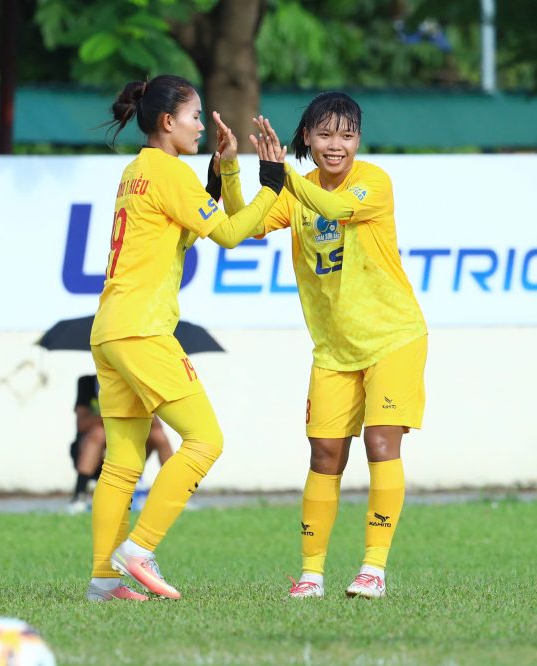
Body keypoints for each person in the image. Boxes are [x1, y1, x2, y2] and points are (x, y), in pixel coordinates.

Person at [215, 92, 427, 599]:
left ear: (358, 140)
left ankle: (373, 569)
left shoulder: (372, 182)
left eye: (347, 135)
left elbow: (332, 207)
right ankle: (311, 576)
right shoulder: (297, 189)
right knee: (325, 455)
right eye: (326, 134)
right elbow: (240, 227)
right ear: (307, 137)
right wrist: (230, 172)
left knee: (380, 444)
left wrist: (280, 172)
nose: (337, 146)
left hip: (393, 337)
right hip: (333, 350)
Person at [85, 74, 286, 602]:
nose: (202, 126)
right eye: (196, 117)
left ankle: (104, 580)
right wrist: (274, 182)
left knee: (123, 462)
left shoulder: (137, 170)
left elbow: (198, 219)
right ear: (167, 121)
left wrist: (226, 168)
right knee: (206, 440)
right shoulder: (169, 172)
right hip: (143, 329)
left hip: (109, 329)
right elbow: (228, 234)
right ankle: (140, 549)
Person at [68, 374, 173, 513]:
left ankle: (176, 495)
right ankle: (79, 495)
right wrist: (112, 413)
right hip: (94, 452)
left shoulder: (134, 384)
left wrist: (141, 401)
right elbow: (81, 424)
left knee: (158, 436)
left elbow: (158, 427)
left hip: (128, 449)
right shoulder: (87, 383)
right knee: (99, 433)